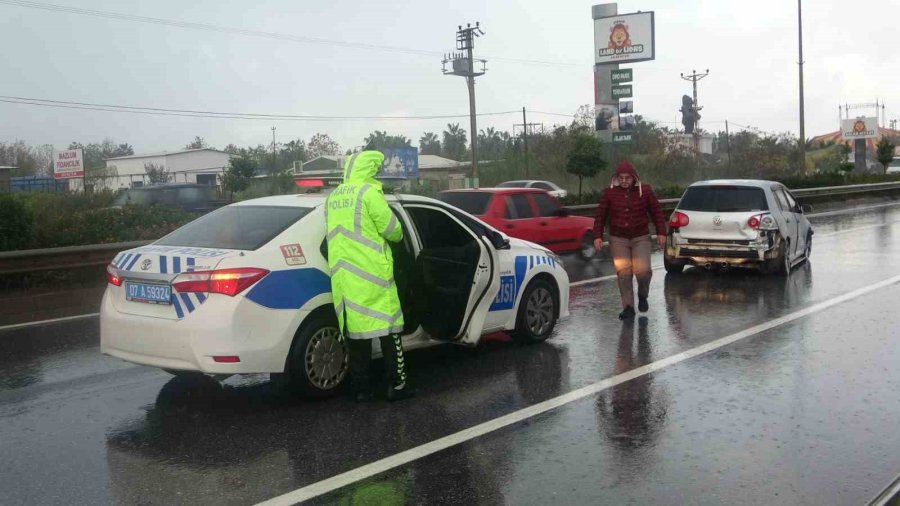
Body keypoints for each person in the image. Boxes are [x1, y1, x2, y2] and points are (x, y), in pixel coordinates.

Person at [325, 148, 414, 402]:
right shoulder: (368, 194)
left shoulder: (333, 198)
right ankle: (397, 387)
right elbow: (393, 231)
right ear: (370, 169)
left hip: (345, 280)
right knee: (390, 331)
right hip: (374, 277)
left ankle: (360, 391)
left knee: (357, 338)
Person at [592, 161, 667, 320]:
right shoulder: (609, 193)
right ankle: (628, 307)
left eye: (628, 178)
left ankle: (642, 294)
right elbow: (600, 215)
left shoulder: (645, 191)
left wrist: (661, 232)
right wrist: (597, 235)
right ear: (616, 178)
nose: (624, 181)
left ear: (634, 178)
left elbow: (657, 212)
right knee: (624, 272)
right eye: (621, 178)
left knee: (643, 271)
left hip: (640, 237)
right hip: (618, 238)